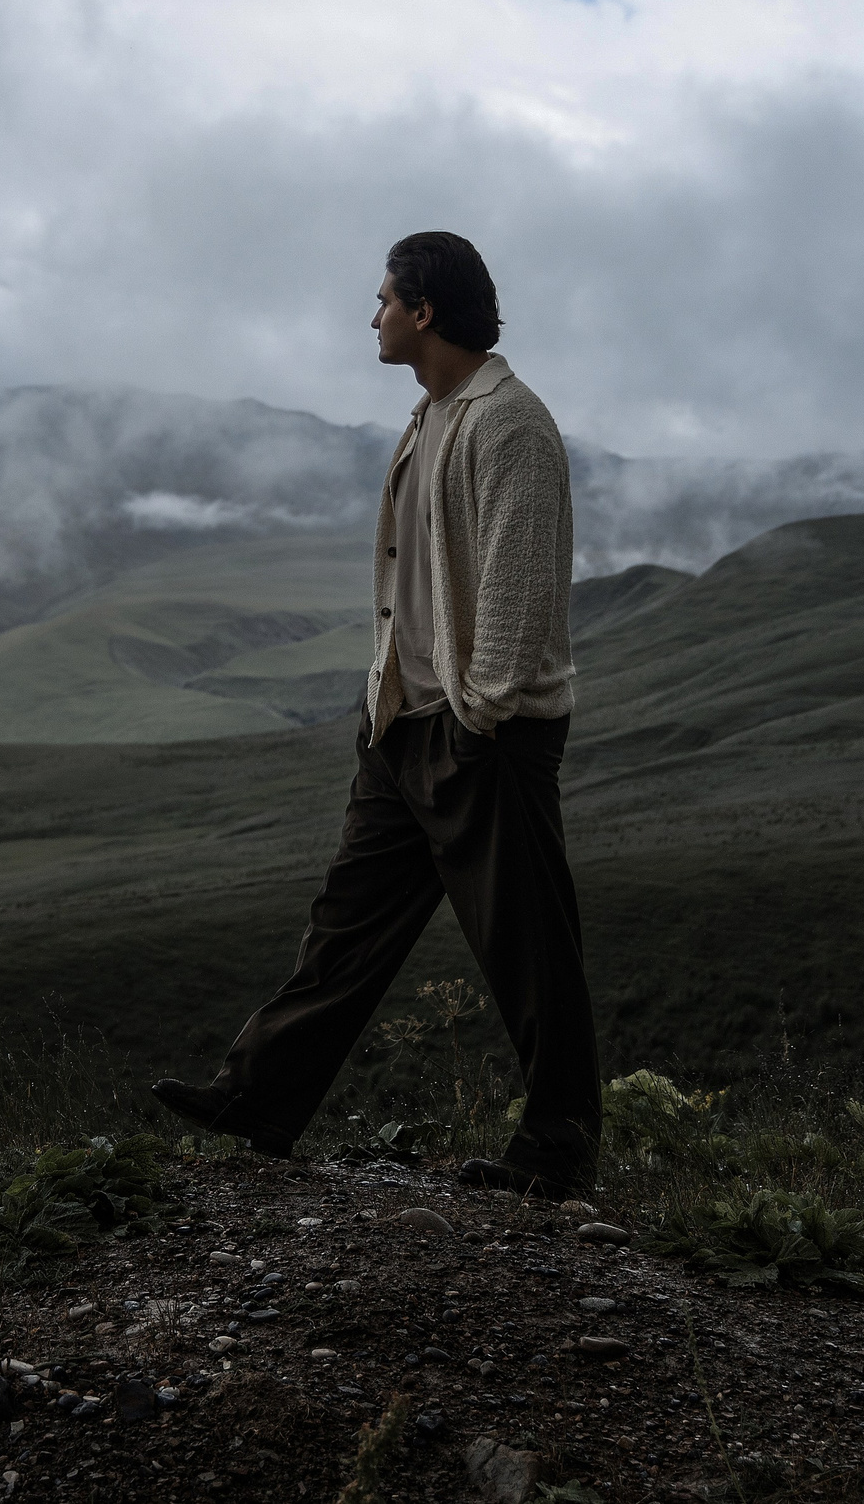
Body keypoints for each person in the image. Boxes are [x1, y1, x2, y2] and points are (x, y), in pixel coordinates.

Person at [150, 230, 599, 1198]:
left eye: (385, 299)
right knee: (343, 930)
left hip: (484, 734)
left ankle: (558, 1149)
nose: (374, 316)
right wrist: (383, 703)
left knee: (527, 946)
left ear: (424, 311)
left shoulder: (508, 424)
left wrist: (476, 722)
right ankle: (254, 1101)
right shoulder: (429, 417)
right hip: (404, 725)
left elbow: (519, 599)